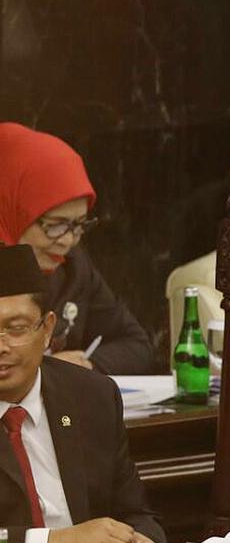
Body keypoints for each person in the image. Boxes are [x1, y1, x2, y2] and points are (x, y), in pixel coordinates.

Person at [0, 245, 165, 543]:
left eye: (15, 328)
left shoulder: (92, 396)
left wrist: (141, 541)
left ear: (47, 329)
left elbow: (135, 513)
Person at [0, 122, 153, 375]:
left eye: (79, 224)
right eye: (55, 225)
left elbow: (137, 345)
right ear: (9, 209)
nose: (68, 240)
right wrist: (52, 371)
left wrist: (85, 365)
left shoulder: (72, 265)